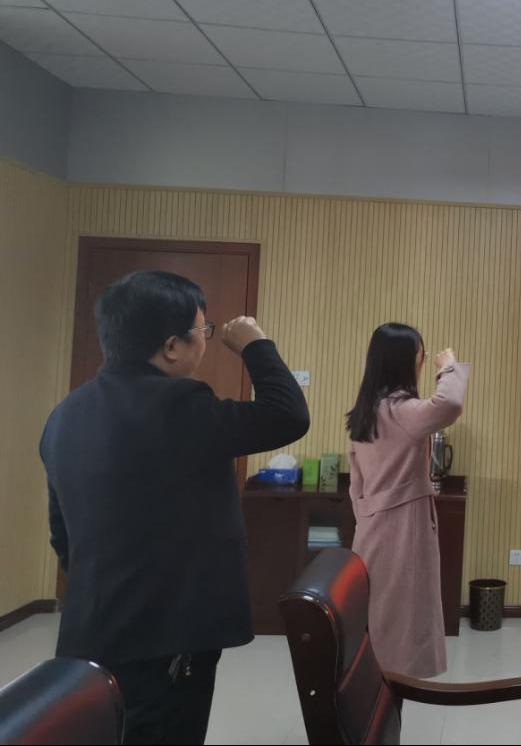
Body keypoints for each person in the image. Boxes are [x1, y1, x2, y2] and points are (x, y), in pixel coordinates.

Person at [39, 270, 310, 745]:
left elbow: (63, 533)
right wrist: (255, 344)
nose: (206, 341)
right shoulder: (179, 404)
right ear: (170, 346)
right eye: (202, 331)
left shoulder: (65, 415)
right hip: (166, 639)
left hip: (93, 629)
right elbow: (288, 415)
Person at [345, 323, 470, 678]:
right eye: (422, 357)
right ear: (408, 362)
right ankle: (393, 691)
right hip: (403, 528)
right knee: (404, 619)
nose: (424, 363)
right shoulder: (402, 410)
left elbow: (356, 484)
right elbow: (450, 403)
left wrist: (367, 516)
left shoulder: (366, 412)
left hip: (370, 528)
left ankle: (373, 688)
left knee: (378, 612)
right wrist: (449, 367)